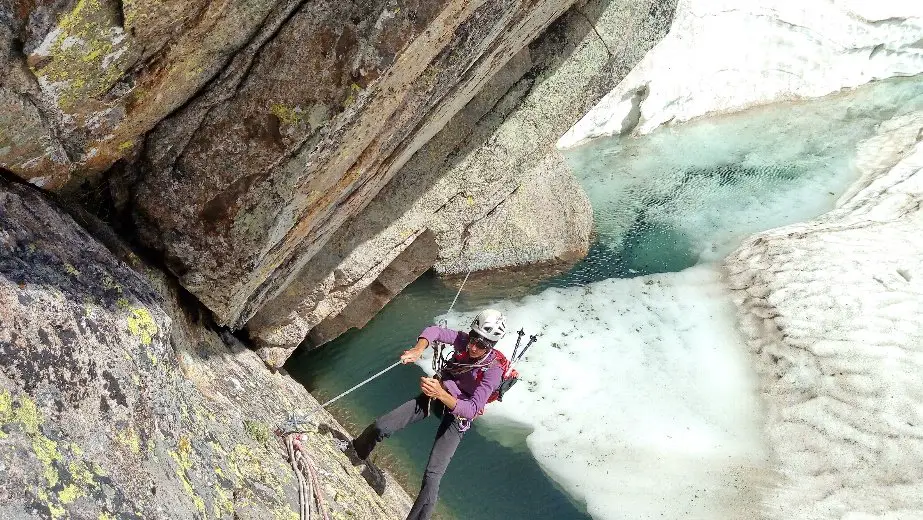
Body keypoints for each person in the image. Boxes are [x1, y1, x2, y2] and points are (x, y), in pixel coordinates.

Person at [350, 309, 508, 520]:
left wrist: (440, 393)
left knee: (432, 477)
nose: (472, 346)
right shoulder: (463, 342)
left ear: (491, 346)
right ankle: (356, 453)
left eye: (481, 345)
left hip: (457, 415)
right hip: (436, 395)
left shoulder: (493, 371)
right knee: (381, 426)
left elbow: (470, 409)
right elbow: (434, 331)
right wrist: (418, 350)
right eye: (472, 338)